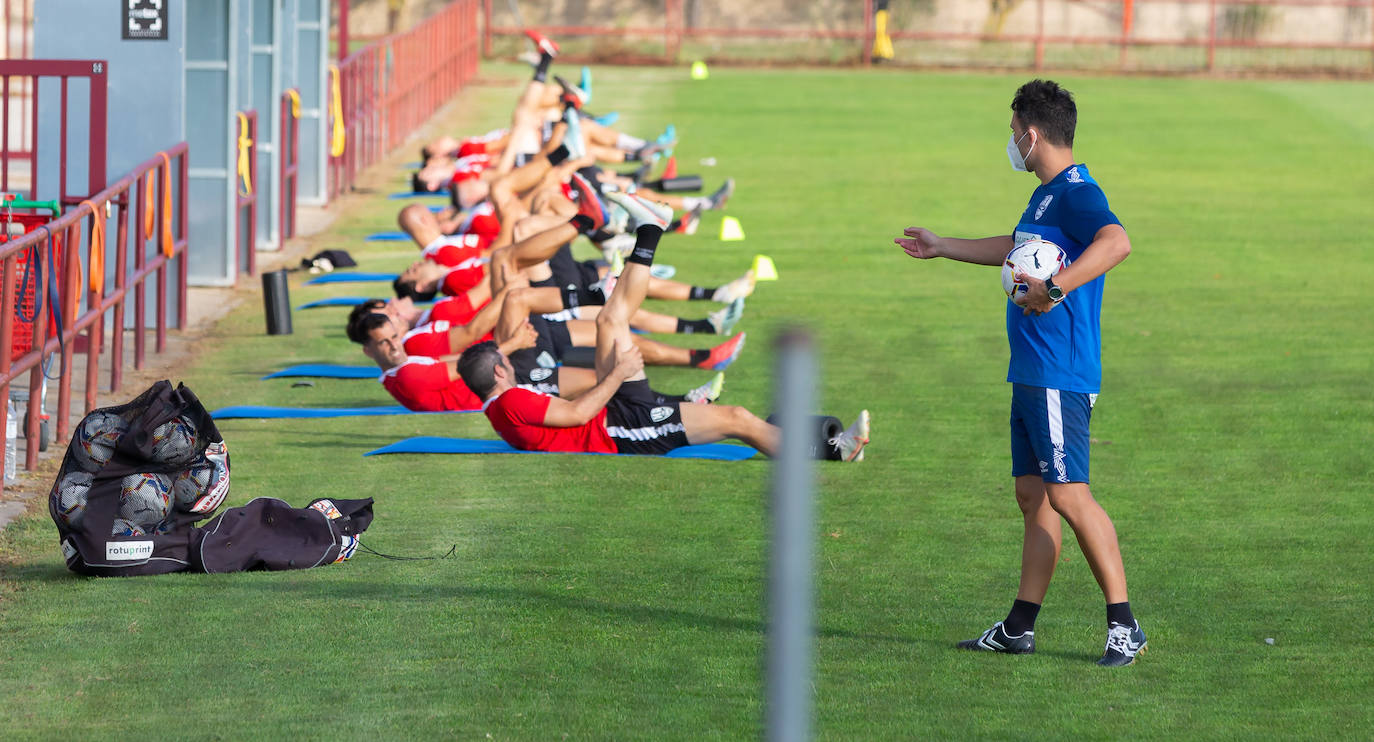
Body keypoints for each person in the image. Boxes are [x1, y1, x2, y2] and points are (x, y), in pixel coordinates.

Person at [894, 79, 1144, 666]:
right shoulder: (1045, 196)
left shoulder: (1079, 193)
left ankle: (1123, 624)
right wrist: (943, 246)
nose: (1011, 143)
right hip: (1031, 369)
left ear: (1032, 135)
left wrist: (1055, 287)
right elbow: (1015, 246)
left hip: (1060, 372)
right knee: (1033, 495)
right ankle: (1019, 627)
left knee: (1068, 494)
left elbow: (1117, 241)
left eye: (1012, 134)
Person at [460, 195, 869, 460]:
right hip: (622, 429)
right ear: (499, 370)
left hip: (616, 409)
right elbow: (577, 412)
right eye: (503, 357)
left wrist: (615, 378)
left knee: (610, 319)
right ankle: (833, 449)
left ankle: (651, 229)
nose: (508, 358)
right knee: (737, 419)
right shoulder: (509, 402)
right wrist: (618, 373)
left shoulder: (504, 403)